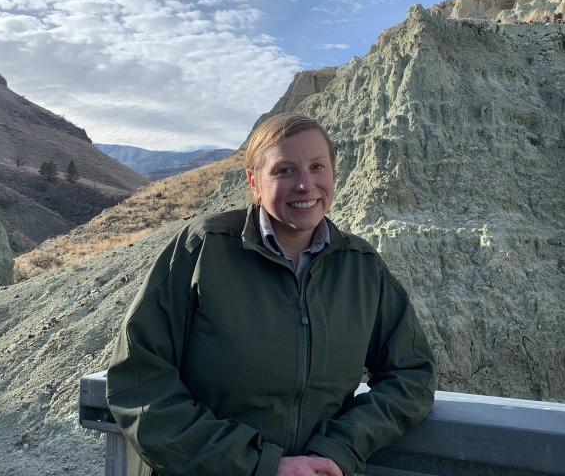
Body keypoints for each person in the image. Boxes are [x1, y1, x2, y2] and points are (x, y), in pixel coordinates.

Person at [106, 113, 436, 476]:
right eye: (284, 171)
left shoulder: (361, 267)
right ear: (254, 182)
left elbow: (412, 373)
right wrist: (258, 466)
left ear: (333, 175)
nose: (305, 185)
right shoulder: (203, 250)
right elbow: (138, 381)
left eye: (317, 166)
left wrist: (341, 446)